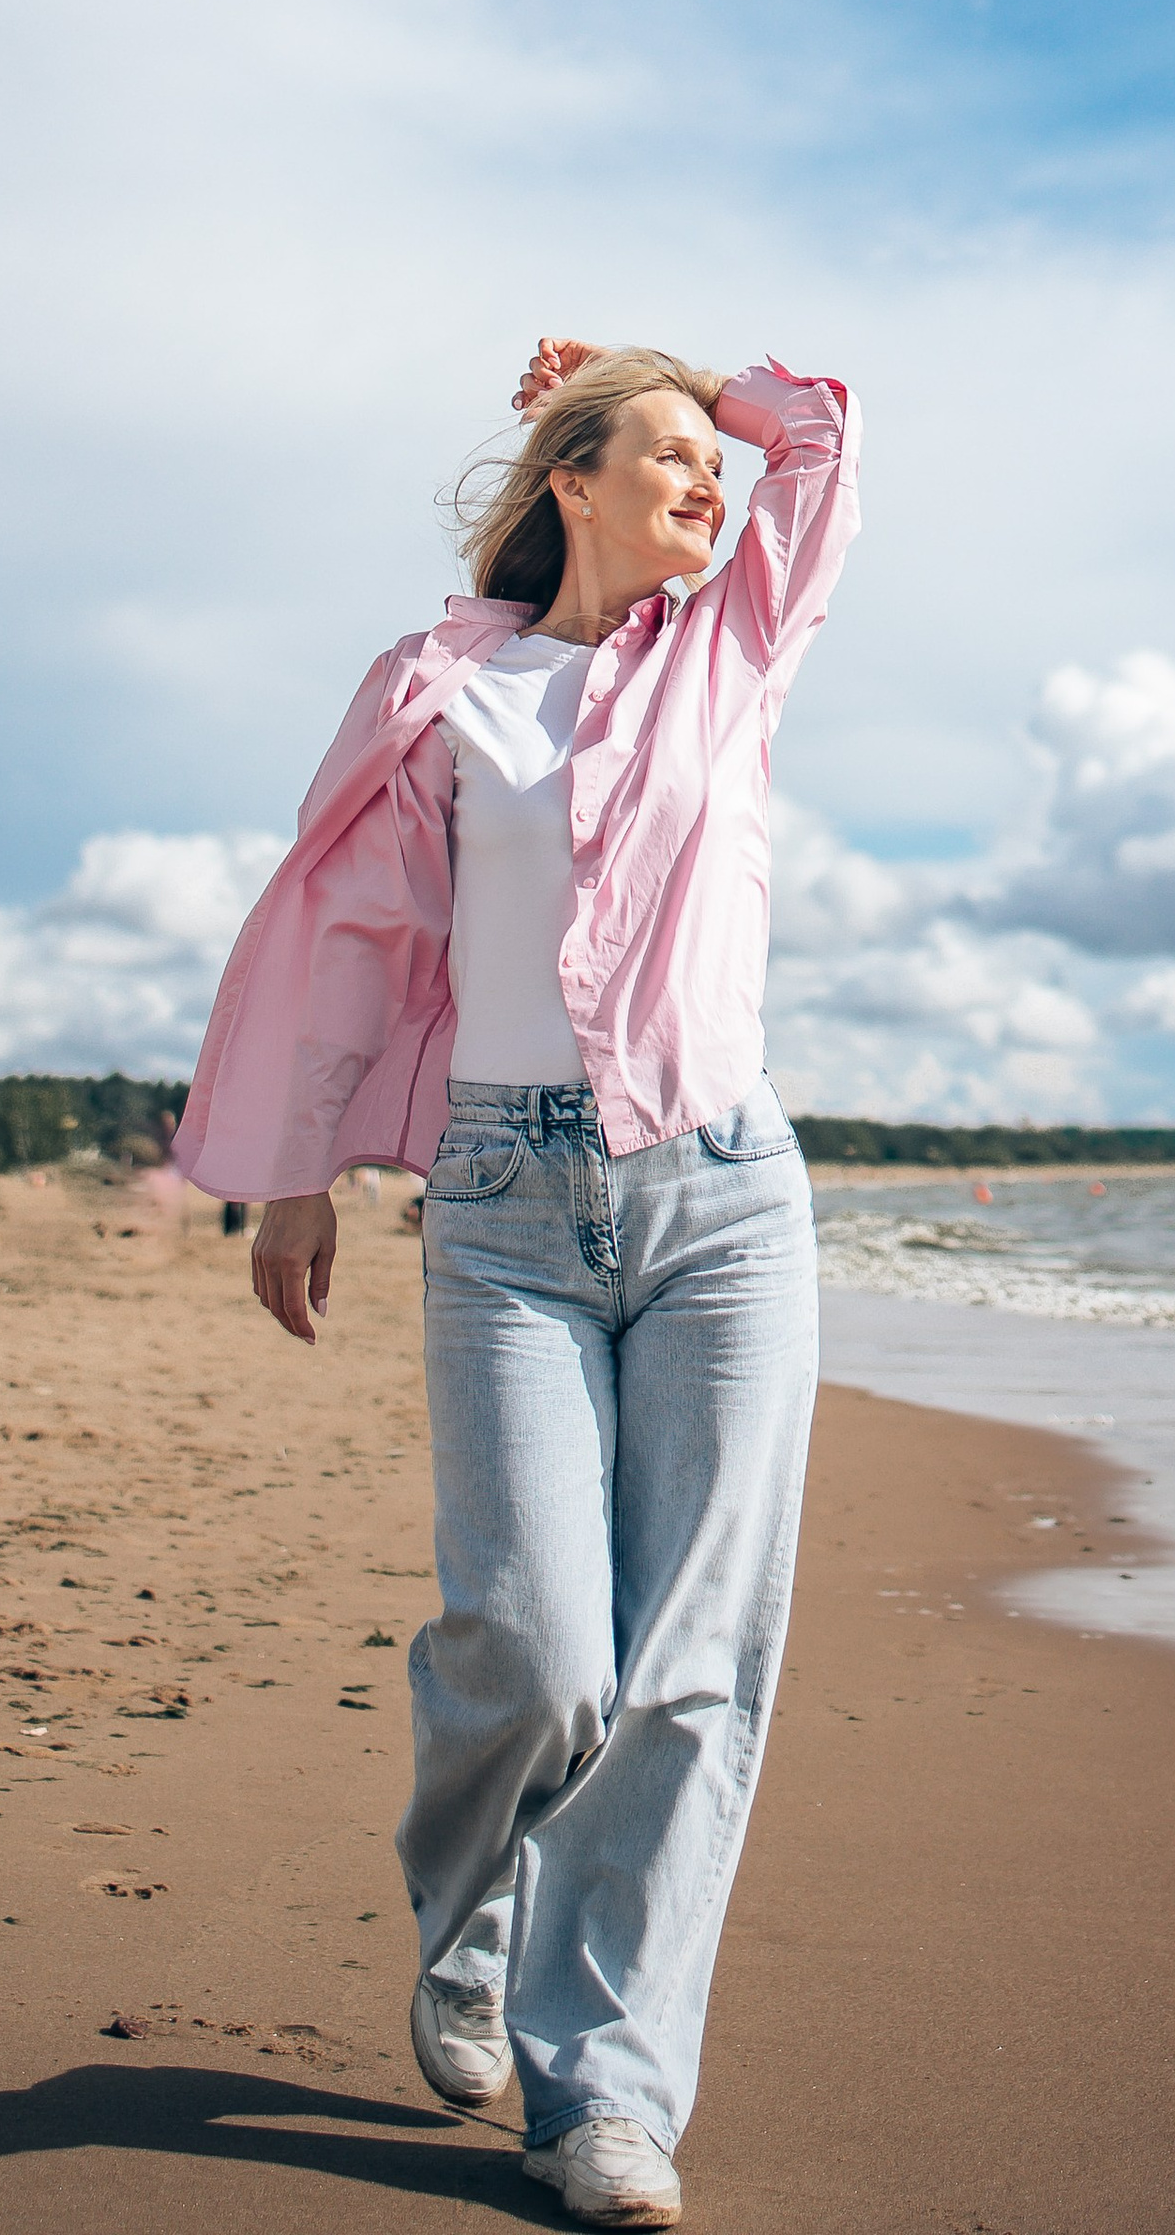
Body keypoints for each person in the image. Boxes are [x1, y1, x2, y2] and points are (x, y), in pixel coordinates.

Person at [173, 338, 859, 2229]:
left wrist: (693, 376)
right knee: (543, 1654)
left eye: (716, 469)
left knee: (690, 1677)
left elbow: (825, 439)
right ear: (571, 480)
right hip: (497, 1206)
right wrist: (297, 1180)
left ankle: (606, 2097)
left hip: (724, 1198)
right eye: (666, 457)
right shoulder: (443, 686)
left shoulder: (735, 650)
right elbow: (351, 933)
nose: (710, 485)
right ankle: (468, 1917)